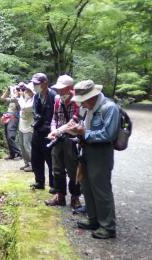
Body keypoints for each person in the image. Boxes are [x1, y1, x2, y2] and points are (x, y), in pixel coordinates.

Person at [67, 80, 120, 239]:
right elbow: (84, 126)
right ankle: (93, 219)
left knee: (101, 189)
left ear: (92, 97)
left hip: (101, 153)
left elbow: (109, 134)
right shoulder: (88, 109)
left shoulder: (109, 108)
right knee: (86, 186)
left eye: (83, 101)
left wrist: (84, 133)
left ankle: (108, 227)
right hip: (86, 150)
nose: (81, 104)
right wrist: (77, 130)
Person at [45, 75, 82, 209]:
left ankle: (75, 197)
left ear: (70, 88)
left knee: (73, 169)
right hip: (57, 139)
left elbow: (75, 120)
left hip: (71, 139)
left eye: (62, 89)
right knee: (57, 168)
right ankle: (60, 196)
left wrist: (58, 131)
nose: (60, 91)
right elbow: (54, 117)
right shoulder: (57, 100)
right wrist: (53, 129)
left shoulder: (77, 101)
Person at [29, 73, 56, 190]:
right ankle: (39, 182)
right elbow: (35, 113)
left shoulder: (54, 96)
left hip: (49, 133)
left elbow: (55, 115)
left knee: (50, 160)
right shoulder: (36, 96)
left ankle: (53, 185)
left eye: (37, 83)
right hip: (37, 131)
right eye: (34, 83)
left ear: (45, 83)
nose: (35, 86)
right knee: (35, 158)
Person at [0, 83, 22, 160]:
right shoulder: (12, 97)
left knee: (10, 136)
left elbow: (14, 98)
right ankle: (12, 154)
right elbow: (2, 98)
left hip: (14, 116)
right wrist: (8, 90)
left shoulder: (20, 98)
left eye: (16, 90)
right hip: (8, 115)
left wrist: (13, 91)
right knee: (7, 135)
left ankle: (19, 153)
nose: (14, 90)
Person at [17, 82, 35, 172]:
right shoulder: (27, 98)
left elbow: (24, 107)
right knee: (22, 145)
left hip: (29, 125)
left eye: (28, 90)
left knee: (27, 145)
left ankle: (33, 164)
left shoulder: (34, 100)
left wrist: (20, 96)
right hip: (22, 124)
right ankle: (26, 163)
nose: (26, 91)